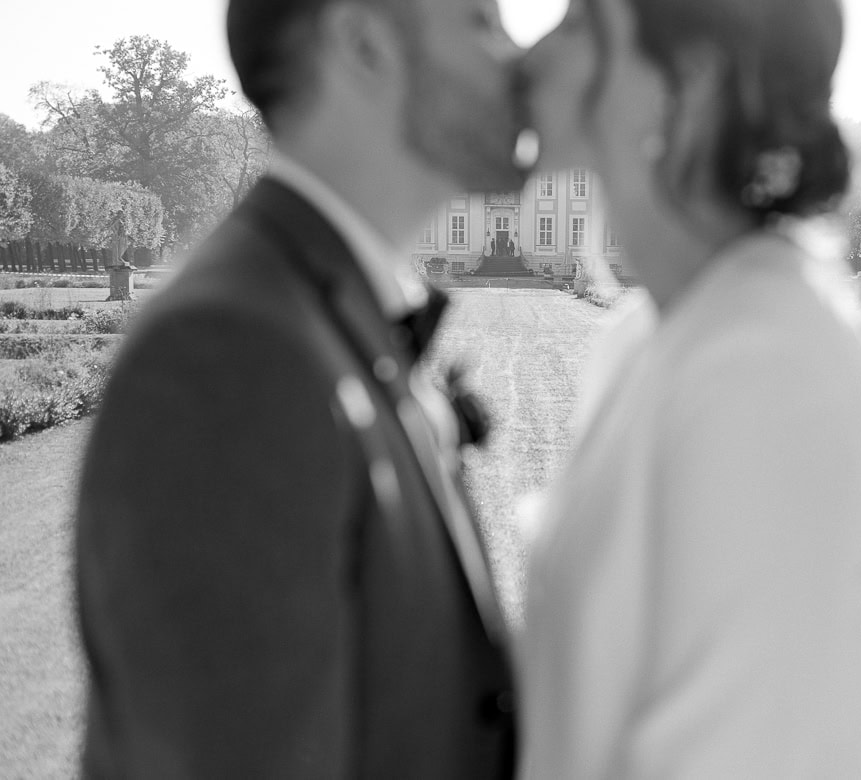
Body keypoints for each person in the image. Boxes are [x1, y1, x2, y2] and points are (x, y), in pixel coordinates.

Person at [74, 0, 524, 776]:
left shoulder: (319, 315)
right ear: (364, 41)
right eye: (481, 19)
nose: (517, 59)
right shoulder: (227, 362)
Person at [518, 0, 861, 776]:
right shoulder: (648, 336)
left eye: (578, 25)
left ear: (684, 84)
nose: (531, 57)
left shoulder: (766, 381)